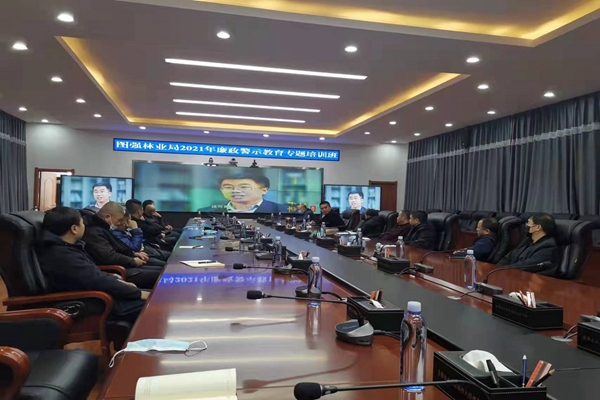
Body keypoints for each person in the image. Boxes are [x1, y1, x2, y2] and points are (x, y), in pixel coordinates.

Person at [37, 206, 148, 326]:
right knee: (157, 303)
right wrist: (137, 293)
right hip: (95, 302)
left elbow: (93, 273)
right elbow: (96, 280)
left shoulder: (66, 248)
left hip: (101, 296)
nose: (84, 226)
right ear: (74, 229)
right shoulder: (62, 255)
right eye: (82, 223)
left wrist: (118, 281)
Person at [82, 202, 161, 289]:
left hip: (123, 265)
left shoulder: (102, 228)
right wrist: (132, 261)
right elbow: (109, 256)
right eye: (119, 220)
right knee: (162, 275)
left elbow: (116, 249)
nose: (120, 223)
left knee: (162, 270)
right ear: (107, 217)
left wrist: (133, 254)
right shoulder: (94, 232)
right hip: (116, 271)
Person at [203, 170, 285, 213]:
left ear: (264, 190)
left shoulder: (281, 210)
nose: (235, 191)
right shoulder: (207, 211)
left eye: (244, 187)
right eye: (228, 187)